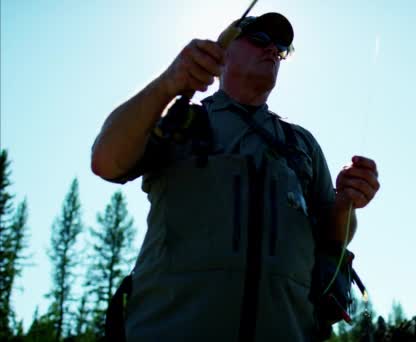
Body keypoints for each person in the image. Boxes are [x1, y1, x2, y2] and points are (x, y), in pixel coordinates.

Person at [91, 12, 379, 341]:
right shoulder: (181, 121)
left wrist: (345, 204)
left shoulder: (301, 144)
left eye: (281, 47)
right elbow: (105, 162)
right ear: (224, 50)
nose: (273, 50)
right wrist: (169, 82)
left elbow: (335, 236)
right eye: (259, 39)